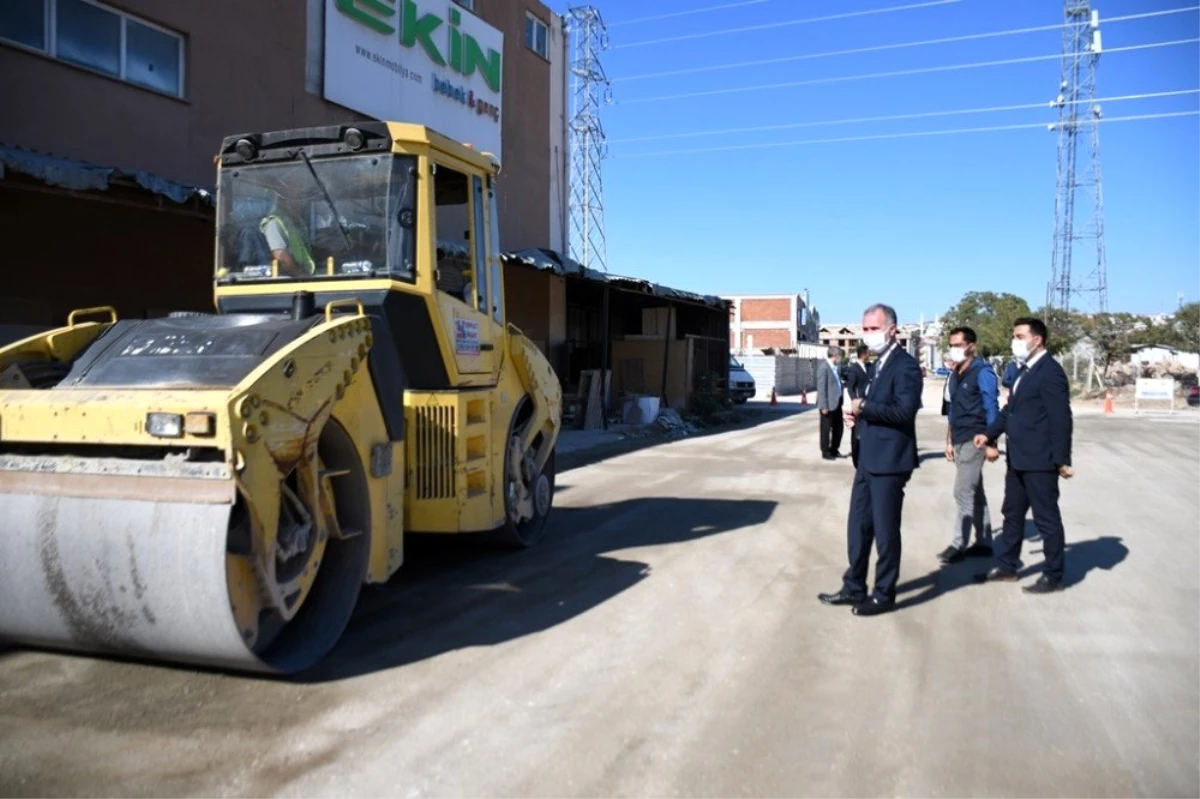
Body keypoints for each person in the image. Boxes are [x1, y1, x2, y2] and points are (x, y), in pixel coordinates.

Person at [818, 303, 924, 616]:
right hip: (868, 457)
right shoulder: (878, 365)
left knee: (885, 531)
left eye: (873, 329)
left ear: (892, 330)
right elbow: (875, 407)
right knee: (858, 527)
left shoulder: (904, 366)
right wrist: (858, 420)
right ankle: (854, 586)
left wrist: (864, 408)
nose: (868, 335)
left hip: (890, 461)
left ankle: (884, 593)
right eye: (864, 329)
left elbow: (905, 411)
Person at [974, 317, 1074, 593]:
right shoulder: (1023, 371)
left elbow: (1061, 418)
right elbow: (1010, 411)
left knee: (1046, 519)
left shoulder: (1050, 372)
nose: (1014, 341)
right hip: (1018, 458)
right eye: (1014, 336)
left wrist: (1062, 459)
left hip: (1040, 460)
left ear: (1037, 340)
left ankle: (1054, 575)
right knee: (1012, 513)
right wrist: (989, 433)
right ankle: (1007, 566)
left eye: (1019, 336)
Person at [937, 326, 999, 565]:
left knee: (962, 491)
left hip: (977, 438)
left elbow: (991, 407)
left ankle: (958, 544)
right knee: (975, 491)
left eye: (958, 345)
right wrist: (949, 441)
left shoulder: (983, 372)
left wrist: (992, 441)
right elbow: (952, 411)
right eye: (951, 345)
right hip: (960, 439)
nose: (954, 349)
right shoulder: (955, 375)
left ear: (971, 346)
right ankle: (984, 542)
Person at [845, 344, 872, 467]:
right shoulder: (854, 368)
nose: (870, 355)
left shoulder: (869, 366)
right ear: (863, 354)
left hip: (870, 403)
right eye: (868, 352)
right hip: (859, 404)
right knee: (857, 432)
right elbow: (850, 387)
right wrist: (855, 401)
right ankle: (856, 460)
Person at [816, 345, 845, 461]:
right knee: (826, 429)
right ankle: (825, 451)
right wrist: (824, 406)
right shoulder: (824, 367)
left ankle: (834, 449)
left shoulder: (836, 367)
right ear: (835, 356)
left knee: (838, 428)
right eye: (840, 356)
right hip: (828, 404)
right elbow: (821, 388)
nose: (840, 359)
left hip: (837, 402)